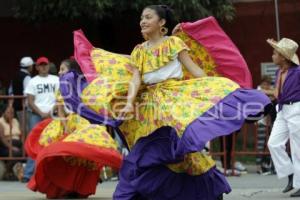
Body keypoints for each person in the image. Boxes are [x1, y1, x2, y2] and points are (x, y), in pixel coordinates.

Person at [71, 5, 271, 200]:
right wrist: (129, 102)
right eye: (142, 18)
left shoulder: (174, 43)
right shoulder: (139, 51)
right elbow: (135, 79)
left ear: (162, 22)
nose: (143, 21)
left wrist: (215, 86)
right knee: (148, 152)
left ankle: (204, 191)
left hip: (174, 99)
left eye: (148, 17)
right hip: (148, 106)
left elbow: (195, 71)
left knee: (180, 151)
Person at [24, 59, 122, 198]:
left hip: (81, 123)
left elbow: (90, 107)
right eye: (59, 69)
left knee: (83, 155)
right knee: (62, 155)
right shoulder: (61, 88)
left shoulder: (82, 86)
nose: (59, 72)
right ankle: (63, 189)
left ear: (71, 72)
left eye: (62, 69)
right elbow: (60, 111)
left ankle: (78, 188)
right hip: (66, 124)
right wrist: (66, 127)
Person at [267, 38, 300, 197]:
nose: (272, 56)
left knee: (298, 149)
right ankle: (291, 175)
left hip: (297, 109)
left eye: (275, 53)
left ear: (284, 57)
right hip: (282, 110)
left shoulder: (298, 72)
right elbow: (276, 94)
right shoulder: (278, 72)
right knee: (273, 143)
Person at [22, 56, 59, 183]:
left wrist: (50, 111)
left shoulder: (56, 80)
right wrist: (41, 113)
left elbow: (60, 98)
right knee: (33, 143)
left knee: (54, 142)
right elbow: (30, 100)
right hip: (37, 115)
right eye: (41, 65)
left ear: (49, 65)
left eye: (45, 65)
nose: (43, 67)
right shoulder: (33, 81)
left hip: (53, 114)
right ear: (37, 67)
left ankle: (53, 173)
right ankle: (28, 173)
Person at [9, 56, 34, 134]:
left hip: (16, 106)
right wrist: (30, 107)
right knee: (27, 129)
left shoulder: (15, 75)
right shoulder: (27, 77)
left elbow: (10, 91)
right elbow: (27, 93)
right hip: (25, 108)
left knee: (22, 127)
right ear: (29, 67)